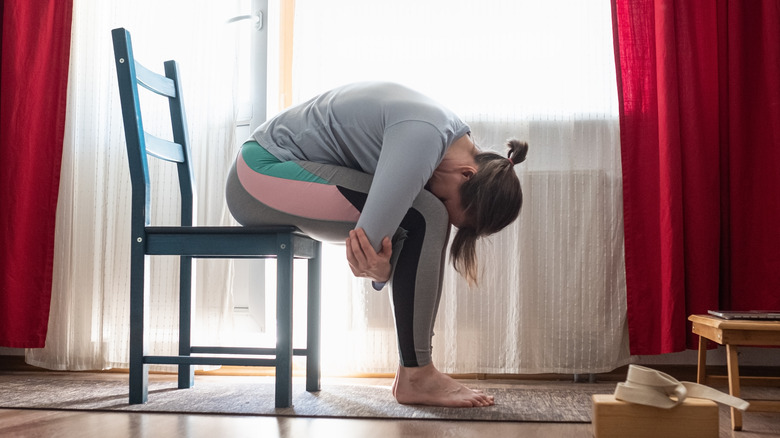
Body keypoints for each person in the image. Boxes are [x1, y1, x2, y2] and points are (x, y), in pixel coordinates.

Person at [225, 81, 527, 408]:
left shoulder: (442, 132)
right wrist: (382, 270)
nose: (437, 196)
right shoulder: (424, 137)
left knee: (425, 213)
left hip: (273, 170)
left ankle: (415, 371)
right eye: (447, 199)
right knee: (428, 215)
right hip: (257, 175)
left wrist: (384, 267)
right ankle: (417, 375)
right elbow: (365, 248)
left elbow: (377, 244)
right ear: (467, 174)